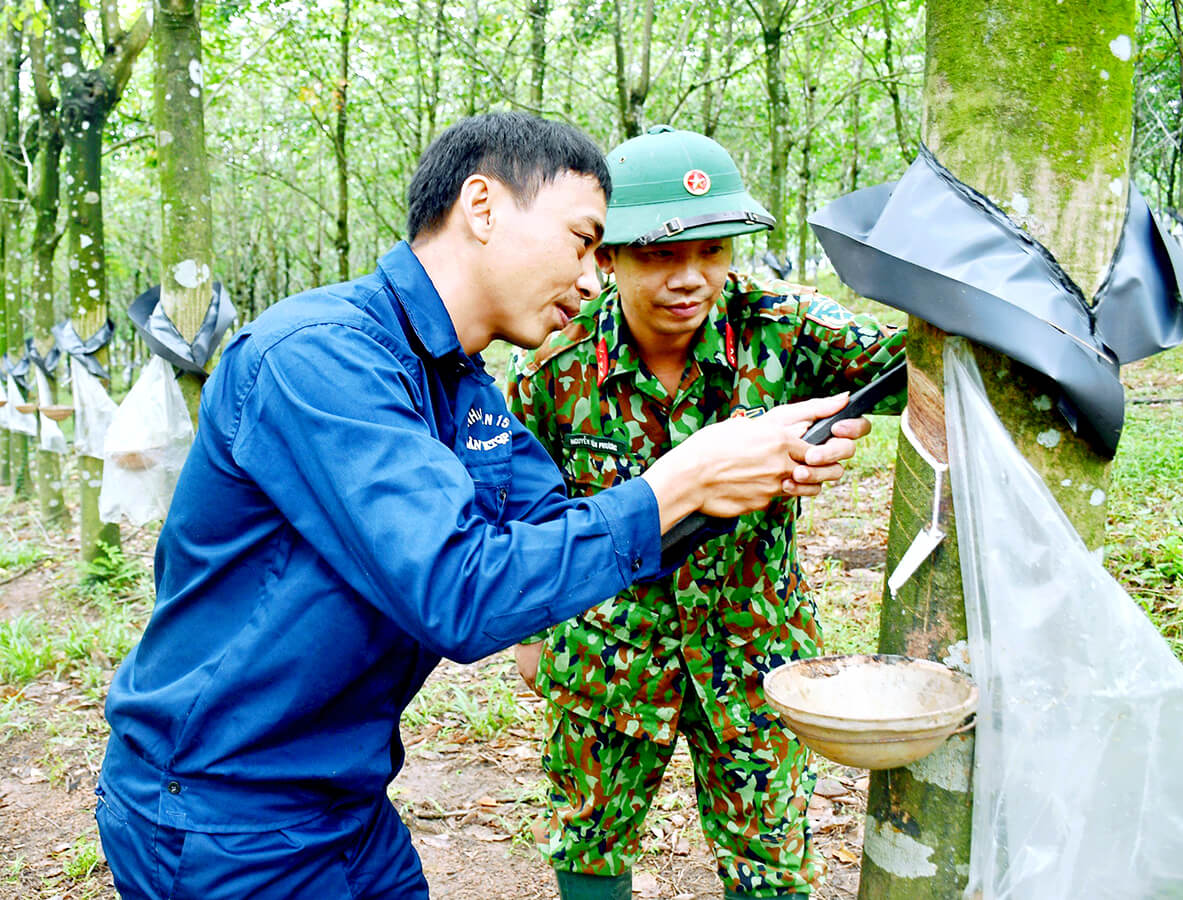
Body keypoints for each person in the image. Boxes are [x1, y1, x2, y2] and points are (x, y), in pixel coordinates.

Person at [94, 112, 861, 900]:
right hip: (226, 811)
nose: (597, 279)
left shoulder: (461, 389)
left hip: (345, 804)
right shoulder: (320, 357)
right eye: (583, 239)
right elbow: (461, 592)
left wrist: (745, 468)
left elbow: (561, 534)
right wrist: (679, 483)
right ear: (483, 207)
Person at [507, 125, 906, 900]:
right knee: (588, 836)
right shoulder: (555, 368)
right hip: (607, 651)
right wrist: (530, 631)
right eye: (659, 256)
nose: (690, 278)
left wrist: (841, 417)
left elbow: (909, 367)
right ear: (608, 257)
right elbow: (523, 506)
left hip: (756, 647)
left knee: (771, 855)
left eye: (713, 251)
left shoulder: (782, 327)